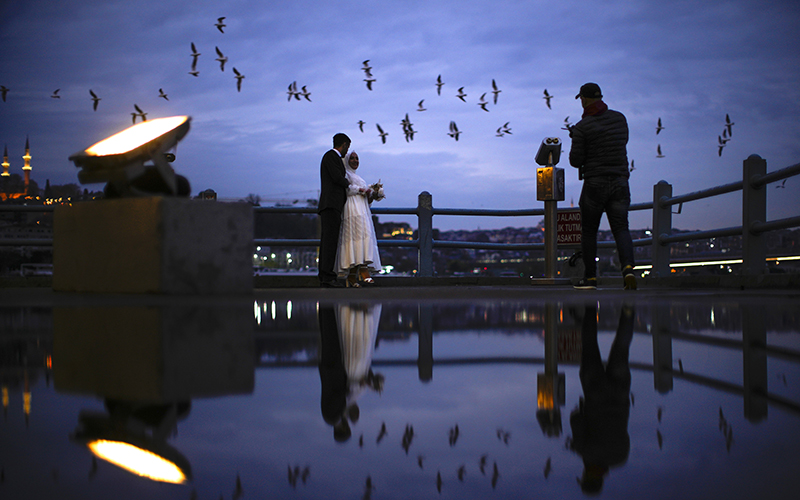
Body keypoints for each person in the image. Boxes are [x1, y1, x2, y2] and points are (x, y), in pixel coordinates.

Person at [568, 83, 637, 290]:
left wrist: (577, 139)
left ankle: (590, 278)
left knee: (589, 232)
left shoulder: (582, 127)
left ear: (584, 99)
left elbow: (575, 160)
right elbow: (620, 143)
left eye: (581, 98)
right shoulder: (620, 119)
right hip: (619, 181)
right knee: (621, 228)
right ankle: (628, 269)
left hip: (595, 183)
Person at [569, 303, 634, 495]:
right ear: (586, 477)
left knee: (621, 348)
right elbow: (576, 420)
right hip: (594, 392)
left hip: (620, 395)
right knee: (589, 345)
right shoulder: (584, 451)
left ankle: (628, 313)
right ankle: (590, 308)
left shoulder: (621, 457)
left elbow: (623, 433)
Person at [335, 151, 382, 287]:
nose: (355, 161)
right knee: (356, 237)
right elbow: (347, 189)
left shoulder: (358, 177)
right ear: (347, 160)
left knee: (363, 237)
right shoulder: (345, 174)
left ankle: (352, 276)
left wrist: (373, 194)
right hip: (352, 208)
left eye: (357, 158)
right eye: (352, 158)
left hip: (362, 209)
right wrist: (363, 190)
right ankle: (362, 271)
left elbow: (366, 196)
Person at [318, 133, 351, 287]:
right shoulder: (331, 157)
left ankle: (326, 275)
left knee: (328, 241)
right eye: (347, 147)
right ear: (344, 145)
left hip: (330, 205)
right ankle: (327, 277)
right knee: (330, 242)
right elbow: (337, 178)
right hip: (331, 205)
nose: (347, 151)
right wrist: (350, 185)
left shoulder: (330, 157)